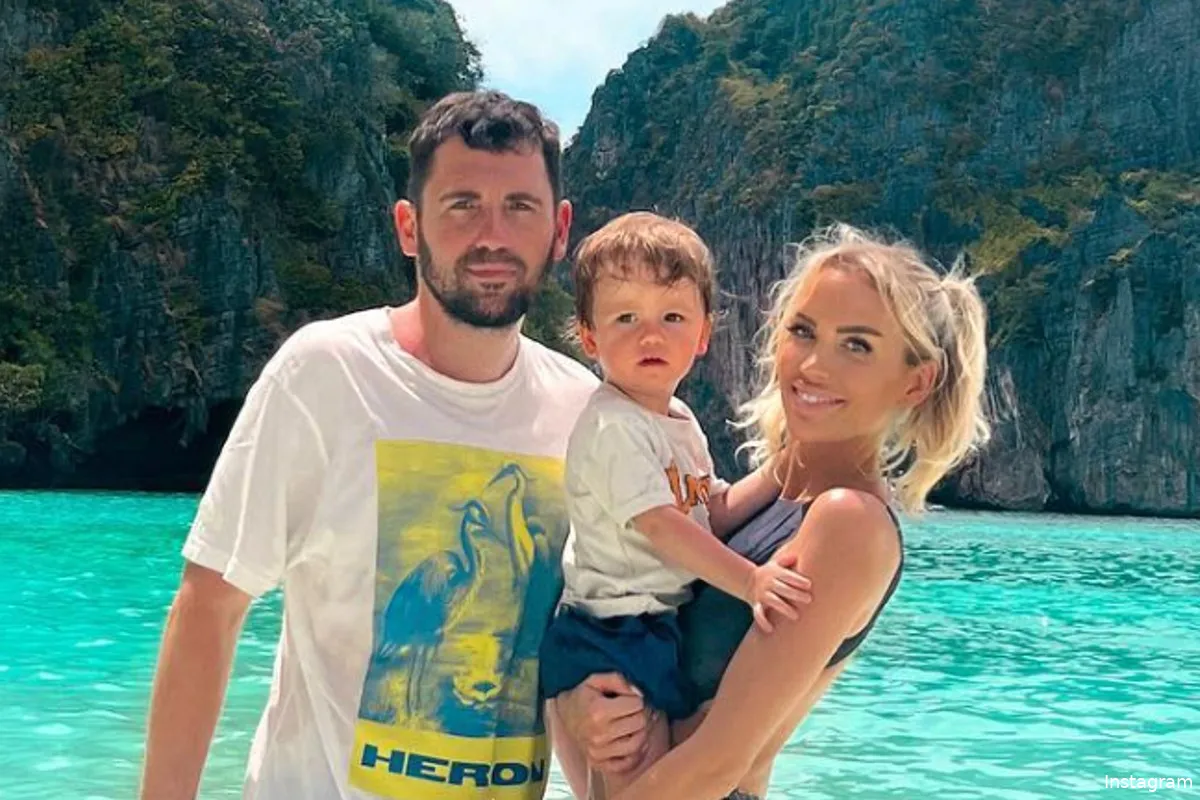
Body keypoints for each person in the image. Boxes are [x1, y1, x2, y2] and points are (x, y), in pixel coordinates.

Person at [140, 90, 600, 800]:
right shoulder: (324, 374)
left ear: (559, 229)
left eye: (519, 206)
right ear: (409, 228)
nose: (492, 236)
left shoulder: (583, 411)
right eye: (462, 205)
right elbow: (210, 606)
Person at [553, 223, 990, 799]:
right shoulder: (777, 488)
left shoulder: (849, 522)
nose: (814, 365)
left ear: (915, 382)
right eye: (803, 332)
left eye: (856, 345)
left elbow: (716, 762)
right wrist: (575, 700)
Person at [537, 213, 813, 797]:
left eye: (672, 318)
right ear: (590, 337)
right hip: (610, 633)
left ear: (703, 334)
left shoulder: (678, 420)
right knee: (641, 778)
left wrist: (783, 469)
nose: (651, 336)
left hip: (653, 624)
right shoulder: (613, 426)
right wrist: (751, 582)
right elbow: (663, 528)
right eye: (626, 318)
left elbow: (709, 510)